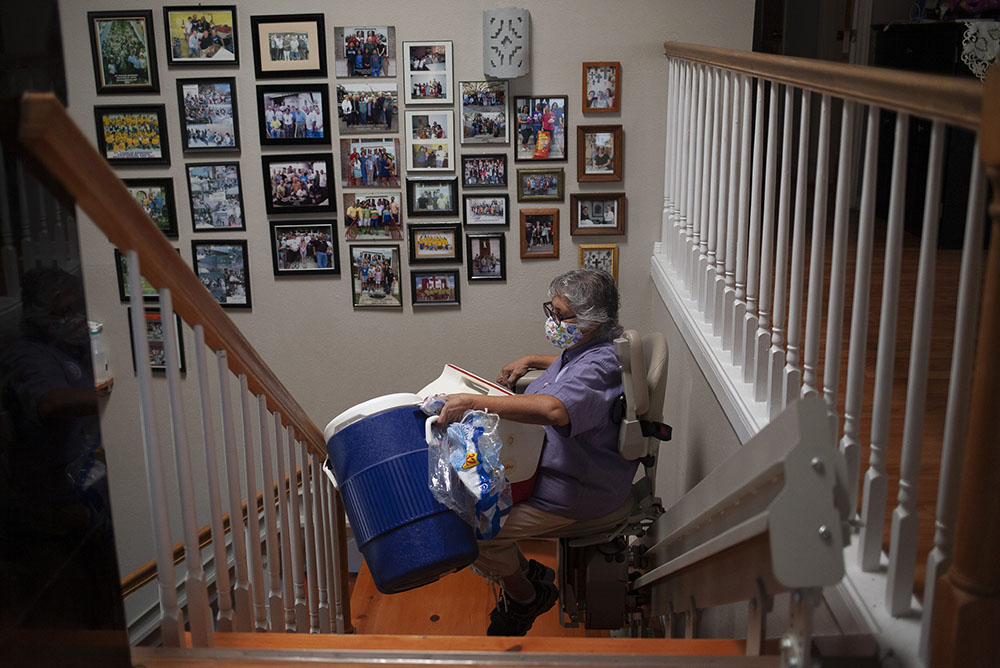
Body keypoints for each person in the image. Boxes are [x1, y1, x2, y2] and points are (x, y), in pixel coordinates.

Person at [439, 269, 632, 636]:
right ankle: (526, 573)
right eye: (552, 310)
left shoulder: (601, 365)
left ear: (593, 321)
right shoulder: (583, 350)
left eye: (561, 316)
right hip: (544, 467)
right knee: (464, 495)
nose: (553, 321)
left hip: (575, 487)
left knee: (477, 532)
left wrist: (476, 402)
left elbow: (555, 410)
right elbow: (569, 370)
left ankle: (528, 597)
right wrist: (531, 358)